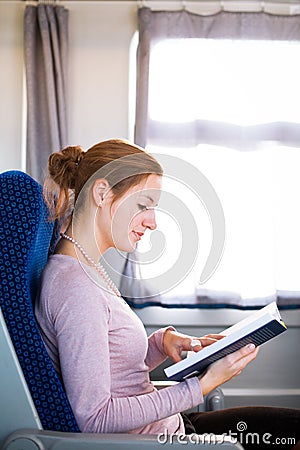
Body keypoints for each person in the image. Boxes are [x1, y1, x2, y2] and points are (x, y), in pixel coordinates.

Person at [35, 139, 299, 449]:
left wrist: (160, 343)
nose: (153, 222)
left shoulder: (85, 269)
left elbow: (111, 372)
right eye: (143, 205)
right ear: (102, 193)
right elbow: (95, 418)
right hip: (157, 441)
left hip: (168, 428)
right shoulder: (75, 288)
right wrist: (202, 385)